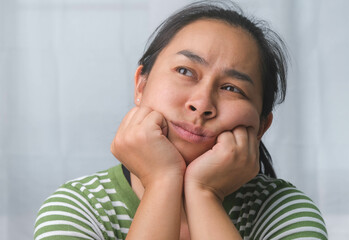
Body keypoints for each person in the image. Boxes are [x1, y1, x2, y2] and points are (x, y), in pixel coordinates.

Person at [34, 1, 328, 239]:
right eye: (185, 71)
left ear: (261, 126)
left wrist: (204, 193)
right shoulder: (78, 207)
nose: (201, 105)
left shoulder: (285, 211)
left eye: (232, 88)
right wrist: (162, 181)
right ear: (141, 85)